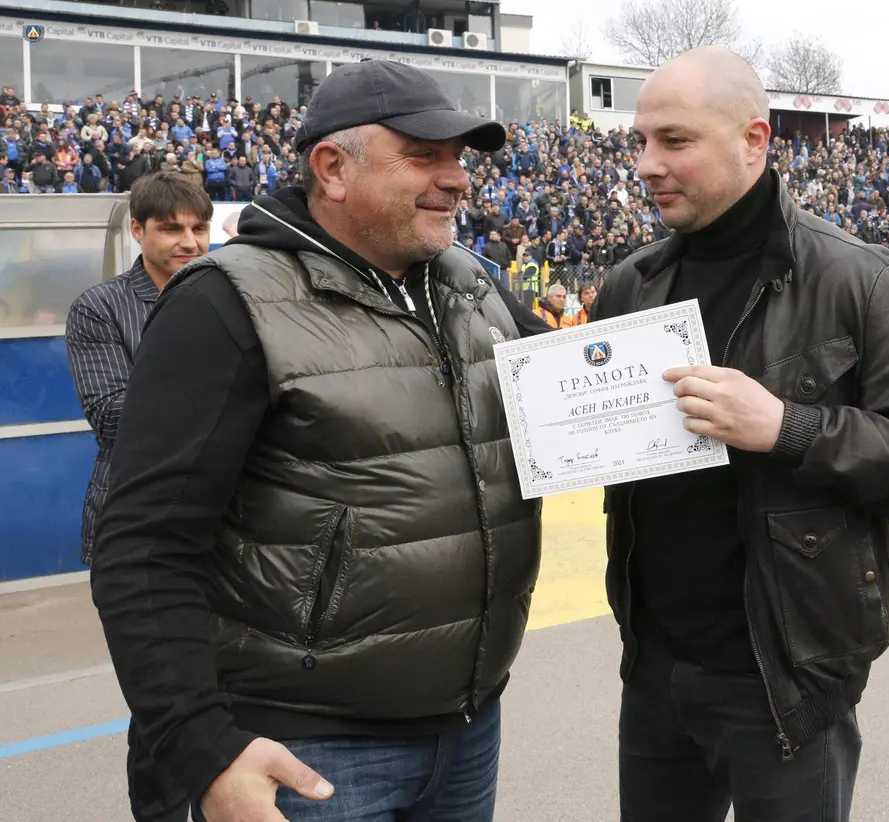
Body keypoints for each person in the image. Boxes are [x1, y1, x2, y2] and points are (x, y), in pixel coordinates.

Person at [90, 59, 549, 822]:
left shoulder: (471, 283)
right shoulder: (225, 304)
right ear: (333, 168)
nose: (456, 179)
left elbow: (591, 401)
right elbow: (143, 546)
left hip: (468, 728)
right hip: (309, 749)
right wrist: (203, 749)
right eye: (424, 156)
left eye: (458, 158)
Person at [591, 46, 889, 822]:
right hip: (655, 668)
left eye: (674, 140)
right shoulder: (631, 284)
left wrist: (788, 427)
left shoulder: (857, 278)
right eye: (640, 141)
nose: (646, 164)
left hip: (785, 677)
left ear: (754, 139)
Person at [65, 170, 212, 822]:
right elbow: (116, 418)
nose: (189, 242)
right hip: (137, 533)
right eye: (171, 228)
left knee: (222, 701)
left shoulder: (226, 295)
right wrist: (224, 403)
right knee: (164, 709)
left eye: (198, 228)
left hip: (220, 528)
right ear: (137, 230)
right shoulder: (100, 308)